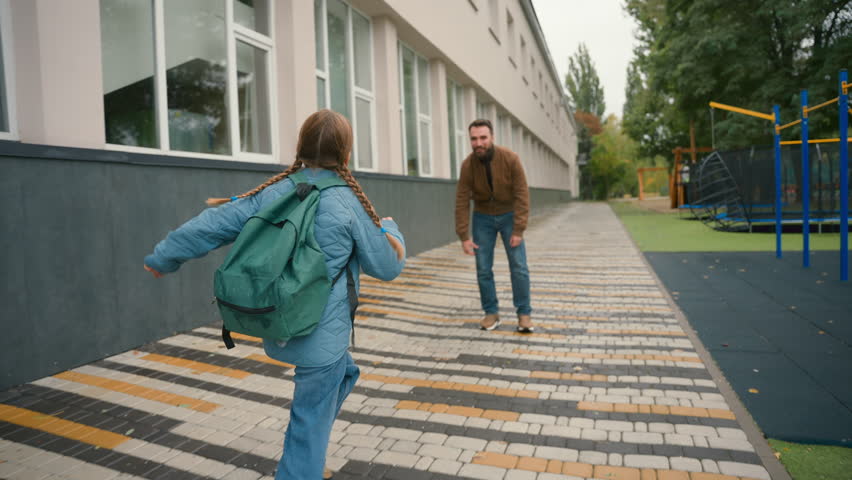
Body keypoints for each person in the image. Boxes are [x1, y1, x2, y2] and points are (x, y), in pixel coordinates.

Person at [143, 109, 406, 480]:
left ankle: (308, 456)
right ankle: (304, 464)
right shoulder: (348, 204)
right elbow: (387, 266)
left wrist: (164, 257)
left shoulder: (272, 192)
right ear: (346, 155)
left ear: (300, 148)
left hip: (278, 321)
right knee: (308, 424)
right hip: (320, 336)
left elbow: (211, 224)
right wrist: (391, 230)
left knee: (345, 374)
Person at [454, 118, 533, 333]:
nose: (478, 143)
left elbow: (522, 194)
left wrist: (519, 228)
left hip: (509, 216)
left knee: (519, 266)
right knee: (483, 268)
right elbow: (461, 200)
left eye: (483, 138)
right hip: (483, 218)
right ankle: (491, 313)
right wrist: (464, 236)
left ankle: (524, 314)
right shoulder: (468, 165)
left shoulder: (510, 159)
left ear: (492, 137)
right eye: (474, 139)